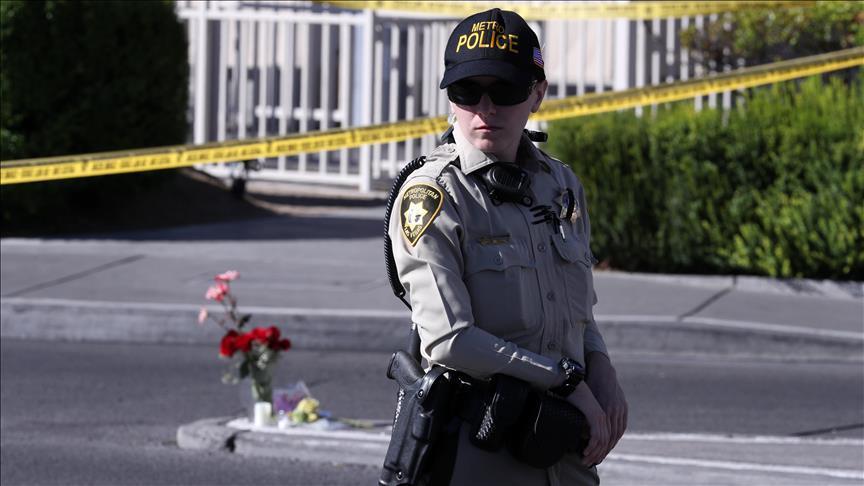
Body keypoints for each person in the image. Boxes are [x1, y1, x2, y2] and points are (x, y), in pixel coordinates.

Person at [387, 8, 627, 485]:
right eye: (467, 90)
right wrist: (566, 379)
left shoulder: (560, 185)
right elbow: (449, 340)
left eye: (505, 90)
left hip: (564, 448)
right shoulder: (433, 196)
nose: (485, 107)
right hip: (477, 448)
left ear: (537, 94)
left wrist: (601, 367)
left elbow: (576, 310)